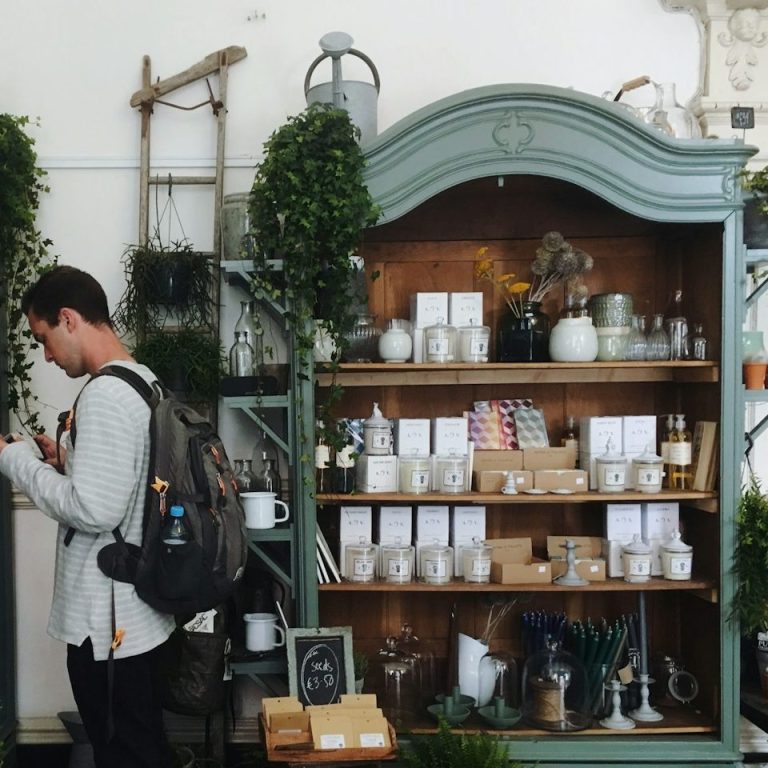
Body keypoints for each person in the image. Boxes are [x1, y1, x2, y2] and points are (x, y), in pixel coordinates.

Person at [0, 266, 176, 767]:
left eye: (44, 339)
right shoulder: (141, 380)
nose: (46, 356)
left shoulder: (104, 395)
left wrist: (15, 462)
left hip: (109, 626)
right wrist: (65, 460)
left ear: (68, 319)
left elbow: (93, 509)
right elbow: (128, 480)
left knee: (123, 755)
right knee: (142, 749)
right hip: (138, 617)